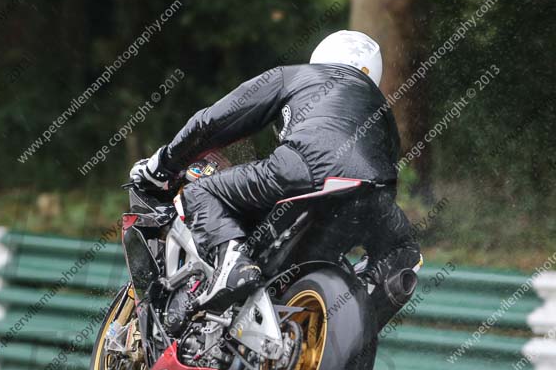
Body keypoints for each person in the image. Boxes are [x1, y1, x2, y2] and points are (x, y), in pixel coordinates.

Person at [130, 30, 421, 303]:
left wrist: (163, 165)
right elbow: (386, 173)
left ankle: (233, 268)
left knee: (199, 193)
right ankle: (361, 310)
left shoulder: (296, 75)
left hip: (299, 170)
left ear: (319, 58)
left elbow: (213, 123)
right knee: (403, 250)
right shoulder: (383, 111)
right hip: (372, 196)